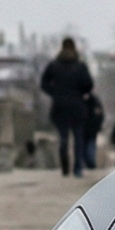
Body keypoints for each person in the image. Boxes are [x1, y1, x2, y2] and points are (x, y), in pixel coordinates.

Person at [40, 38, 95, 177]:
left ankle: (65, 167)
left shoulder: (54, 65)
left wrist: (55, 93)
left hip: (60, 107)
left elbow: (44, 83)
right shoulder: (80, 66)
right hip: (77, 106)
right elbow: (88, 84)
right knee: (78, 139)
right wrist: (81, 93)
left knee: (63, 138)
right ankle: (77, 169)